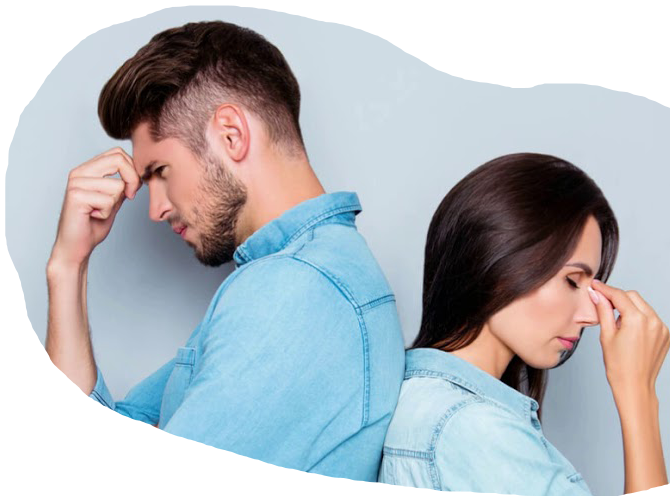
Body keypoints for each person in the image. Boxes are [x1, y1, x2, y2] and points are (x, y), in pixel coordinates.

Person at [36, 21, 405, 495]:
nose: (155, 209)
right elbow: (95, 476)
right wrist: (68, 267)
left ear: (231, 135)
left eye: (160, 171)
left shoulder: (294, 296)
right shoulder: (289, 283)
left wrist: (151, 459)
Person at [377, 153, 670, 495]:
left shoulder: (417, 399)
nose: (591, 316)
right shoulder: (477, 430)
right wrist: (638, 392)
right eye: (572, 281)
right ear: (497, 262)